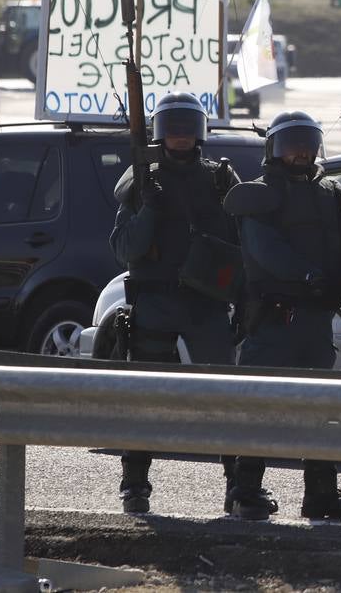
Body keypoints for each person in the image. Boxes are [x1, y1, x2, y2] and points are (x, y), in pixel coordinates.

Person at [223, 111, 341, 522]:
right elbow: (264, 248)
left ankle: (321, 493)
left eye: (307, 143)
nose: (301, 152)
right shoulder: (259, 193)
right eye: (291, 143)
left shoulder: (331, 191)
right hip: (273, 320)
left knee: (322, 408)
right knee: (260, 405)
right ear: (274, 148)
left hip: (317, 319)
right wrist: (307, 275)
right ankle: (245, 491)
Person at [108, 92, 241, 515]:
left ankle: (240, 485)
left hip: (207, 303)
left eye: (188, 128)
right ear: (160, 132)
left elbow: (243, 243)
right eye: (173, 128)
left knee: (227, 396)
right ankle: (134, 482)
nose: (181, 137)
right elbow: (125, 247)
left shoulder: (221, 179)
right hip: (156, 302)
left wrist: (245, 297)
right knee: (147, 395)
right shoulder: (140, 180)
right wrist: (149, 208)